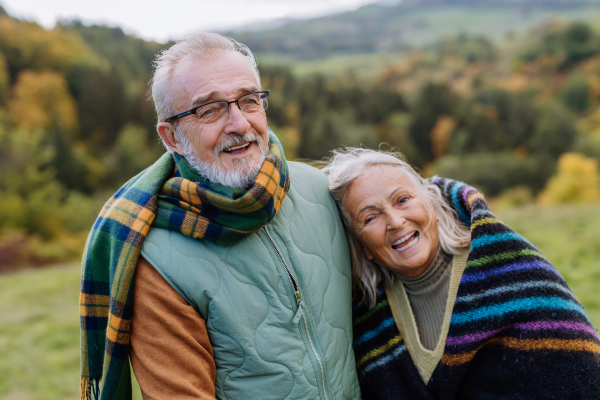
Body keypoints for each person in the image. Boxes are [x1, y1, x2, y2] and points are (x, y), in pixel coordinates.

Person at [79, 33, 360, 400]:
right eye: (209, 110)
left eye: (249, 100)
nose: (239, 124)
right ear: (172, 137)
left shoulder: (318, 188)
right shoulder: (156, 259)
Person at [323, 148, 600, 399]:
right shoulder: (368, 323)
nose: (395, 221)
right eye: (370, 217)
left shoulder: (512, 275)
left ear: (429, 202)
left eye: (403, 200)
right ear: (363, 247)